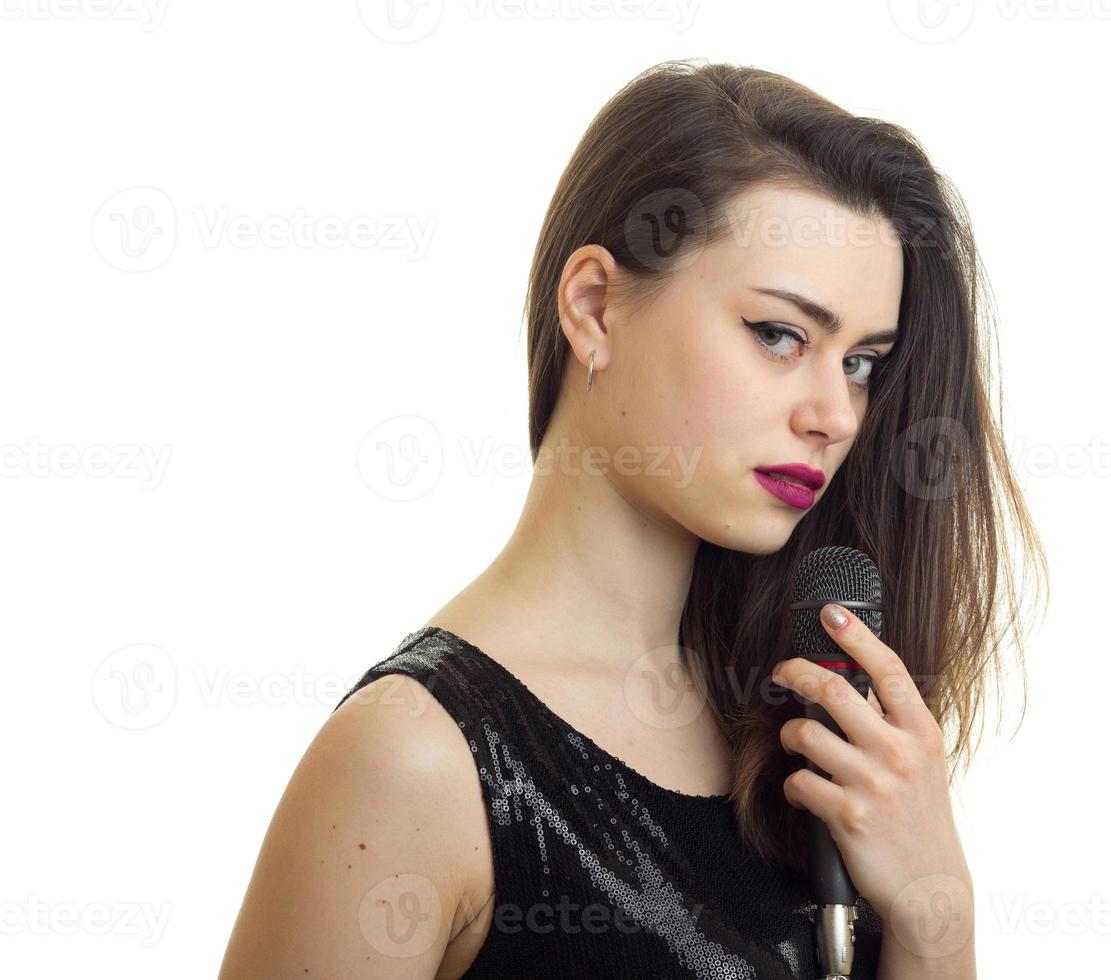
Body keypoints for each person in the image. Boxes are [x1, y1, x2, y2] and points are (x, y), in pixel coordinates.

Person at [219, 58, 1045, 979]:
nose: (836, 414)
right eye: (780, 335)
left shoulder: (796, 732)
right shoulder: (410, 761)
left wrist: (939, 917)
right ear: (596, 307)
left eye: (860, 362)